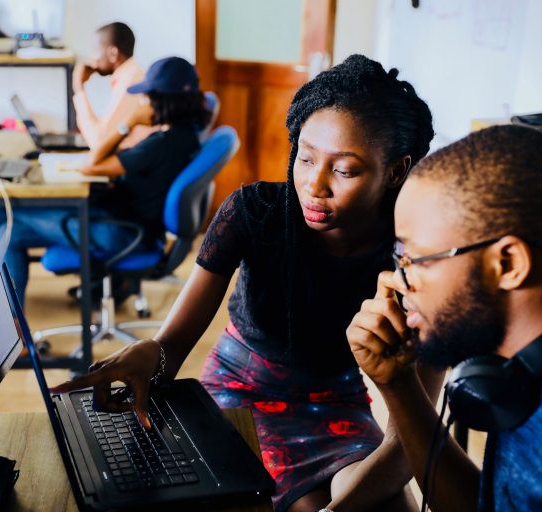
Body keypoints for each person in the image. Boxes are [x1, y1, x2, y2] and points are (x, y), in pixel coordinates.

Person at [52, 54, 439, 511]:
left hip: (335, 408)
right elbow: (171, 346)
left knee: (392, 506)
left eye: (344, 169)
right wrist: (149, 355)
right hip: (238, 393)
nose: (314, 184)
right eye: (306, 156)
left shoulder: (418, 260)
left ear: (395, 170)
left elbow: (410, 442)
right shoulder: (255, 213)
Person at [347, 125, 542, 512]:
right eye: (397, 257)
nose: (395, 281)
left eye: (414, 259)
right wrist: (398, 384)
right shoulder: (513, 377)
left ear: (507, 264)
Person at [0, 56, 210, 307]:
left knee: (5, 224)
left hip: (120, 233)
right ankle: (10, 322)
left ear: (161, 100)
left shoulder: (161, 145)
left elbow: (91, 164)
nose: (141, 101)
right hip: (129, 225)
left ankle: (10, 326)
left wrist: (128, 123)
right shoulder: (185, 136)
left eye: (146, 96)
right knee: (1, 222)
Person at [73, 21, 153, 151]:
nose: (92, 58)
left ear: (113, 54)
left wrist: (78, 88)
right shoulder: (129, 75)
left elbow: (99, 143)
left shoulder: (131, 82)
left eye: (95, 50)